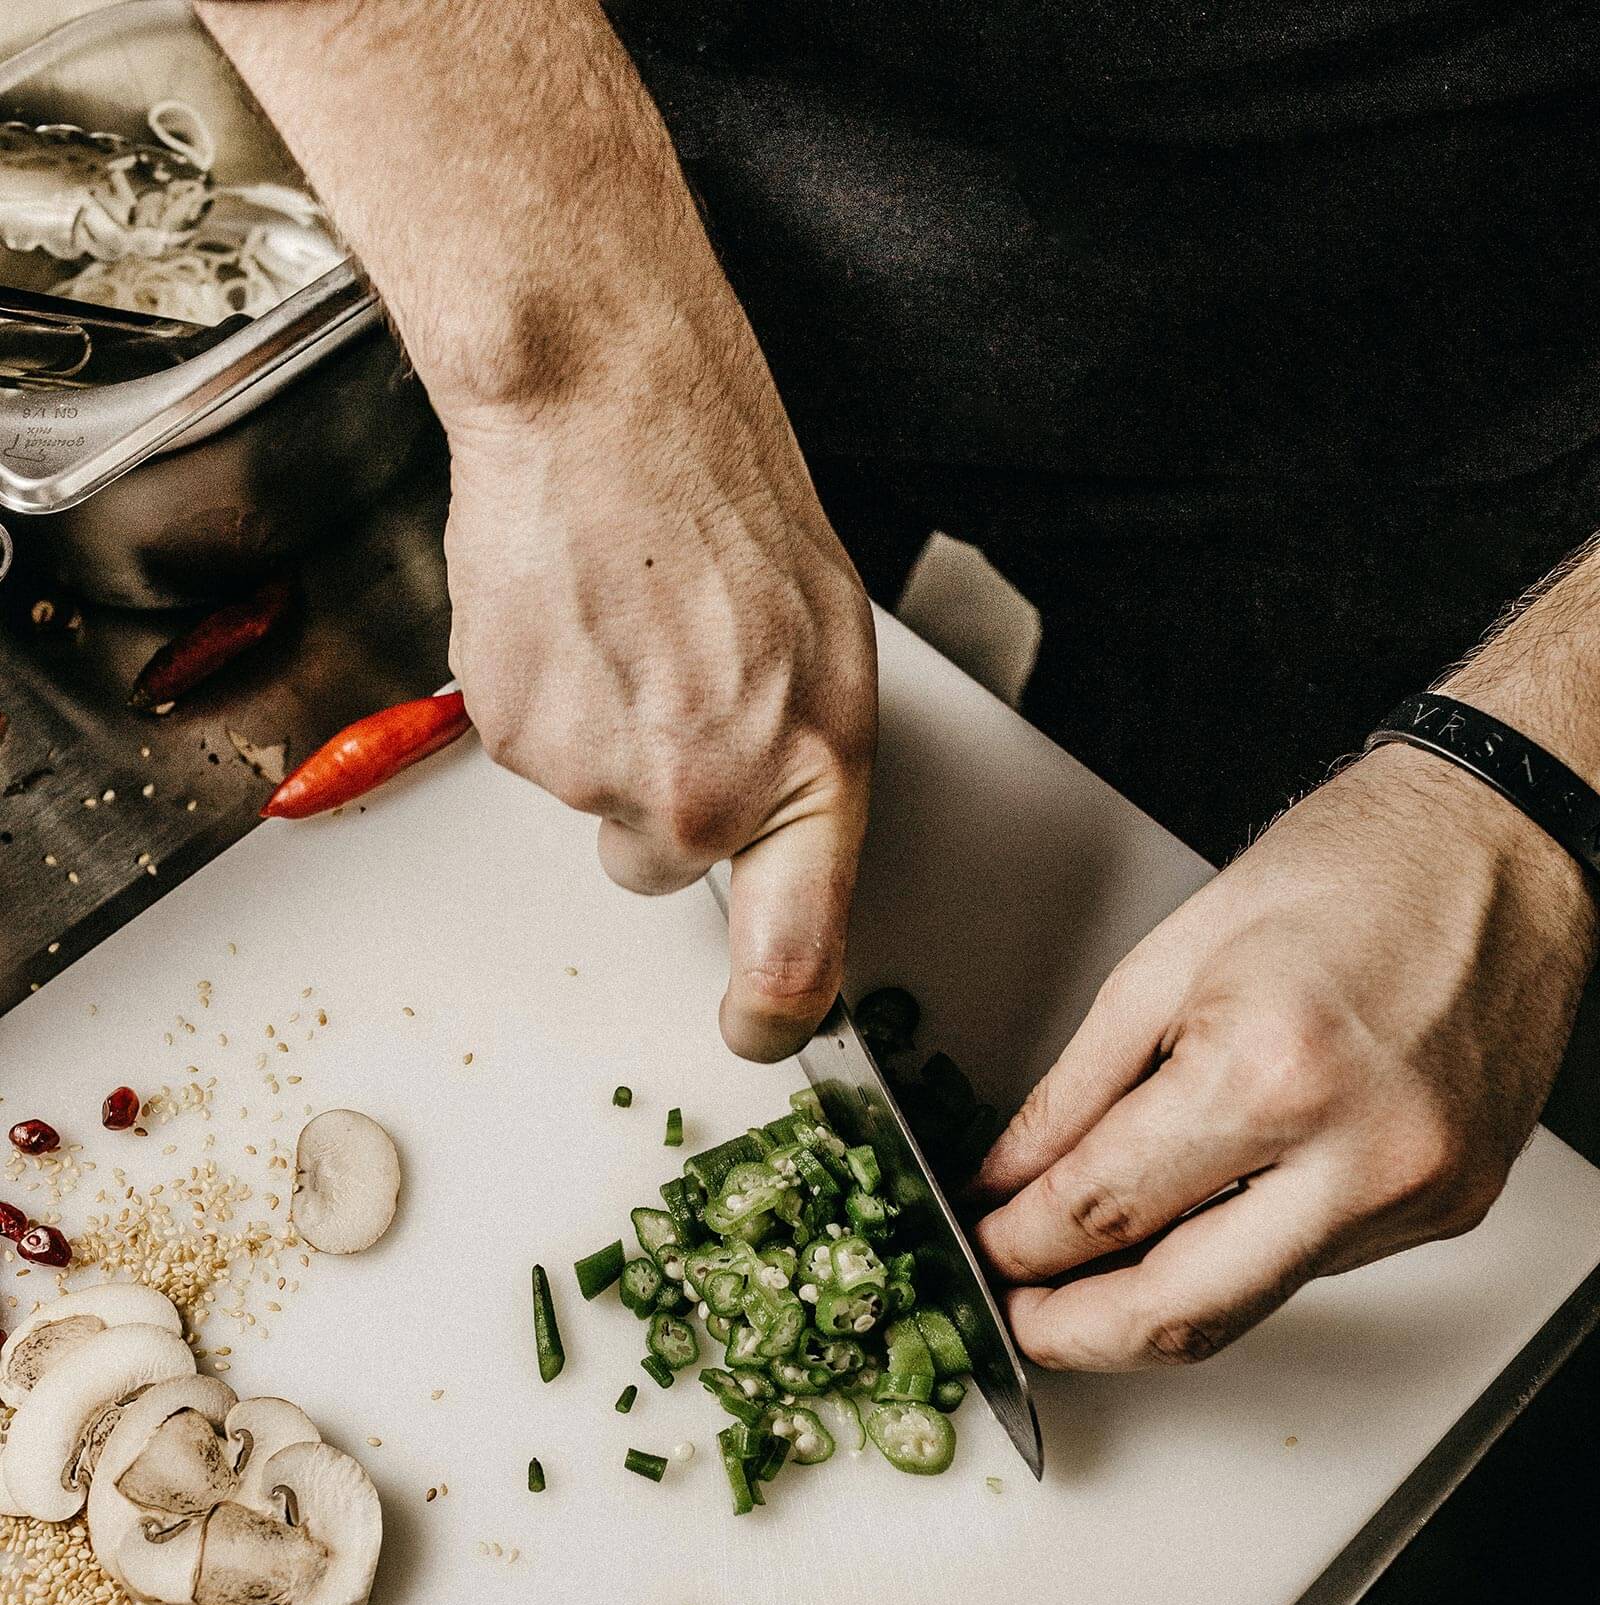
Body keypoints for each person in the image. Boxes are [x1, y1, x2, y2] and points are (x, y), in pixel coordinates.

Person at [199, 2, 1600, 1374]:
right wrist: (564, 371)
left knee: (1263, 1046)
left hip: (1433, 330)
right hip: (624, 159)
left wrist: (1534, 786)